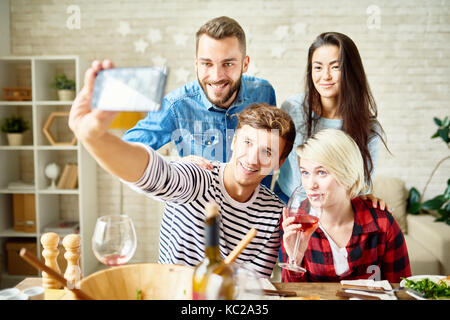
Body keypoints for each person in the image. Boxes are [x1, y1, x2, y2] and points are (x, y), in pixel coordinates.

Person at [68, 59, 296, 278]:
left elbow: (253, 287)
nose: (253, 158)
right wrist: (94, 138)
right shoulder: (199, 177)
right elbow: (149, 173)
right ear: (234, 141)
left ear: (279, 163)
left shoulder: (274, 212)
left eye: (267, 152)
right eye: (247, 143)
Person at [121, 16, 276, 187]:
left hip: (254, 210)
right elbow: (124, 150)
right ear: (196, 64)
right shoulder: (176, 105)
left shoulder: (264, 93)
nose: (216, 76)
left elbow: (271, 151)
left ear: (245, 64)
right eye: (207, 64)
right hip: (199, 211)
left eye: (228, 64)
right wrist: (174, 168)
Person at [280, 129, 411, 282]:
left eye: (321, 172)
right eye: (305, 172)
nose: (310, 185)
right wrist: (295, 258)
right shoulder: (296, 224)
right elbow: (290, 296)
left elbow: (403, 290)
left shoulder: (383, 224)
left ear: (348, 175)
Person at [274, 32, 388, 207]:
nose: (325, 76)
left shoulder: (369, 128)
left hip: (333, 210)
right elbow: (273, 157)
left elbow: (361, 186)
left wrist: (368, 199)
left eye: (335, 67)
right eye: (318, 67)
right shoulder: (292, 108)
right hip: (286, 201)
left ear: (351, 71)